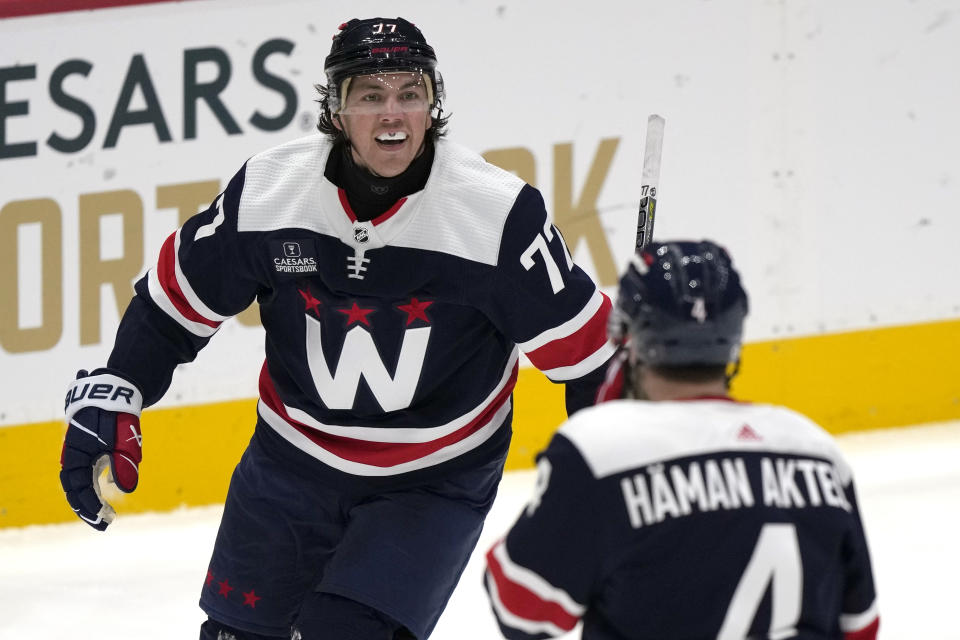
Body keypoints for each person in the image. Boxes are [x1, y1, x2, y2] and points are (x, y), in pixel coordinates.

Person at [58, 16, 615, 640]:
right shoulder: (270, 193)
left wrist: (615, 471)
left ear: (434, 103)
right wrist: (120, 386)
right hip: (289, 466)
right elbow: (174, 304)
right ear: (335, 110)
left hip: (431, 481)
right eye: (369, 96)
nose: (393, 115)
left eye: (410, 92)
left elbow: (590, 358)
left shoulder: (496, 216)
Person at [483, 240, 880, 640]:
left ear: (627, 331)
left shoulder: (600, 451)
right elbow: (861, 626)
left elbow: (521, 609)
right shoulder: (815, 450)